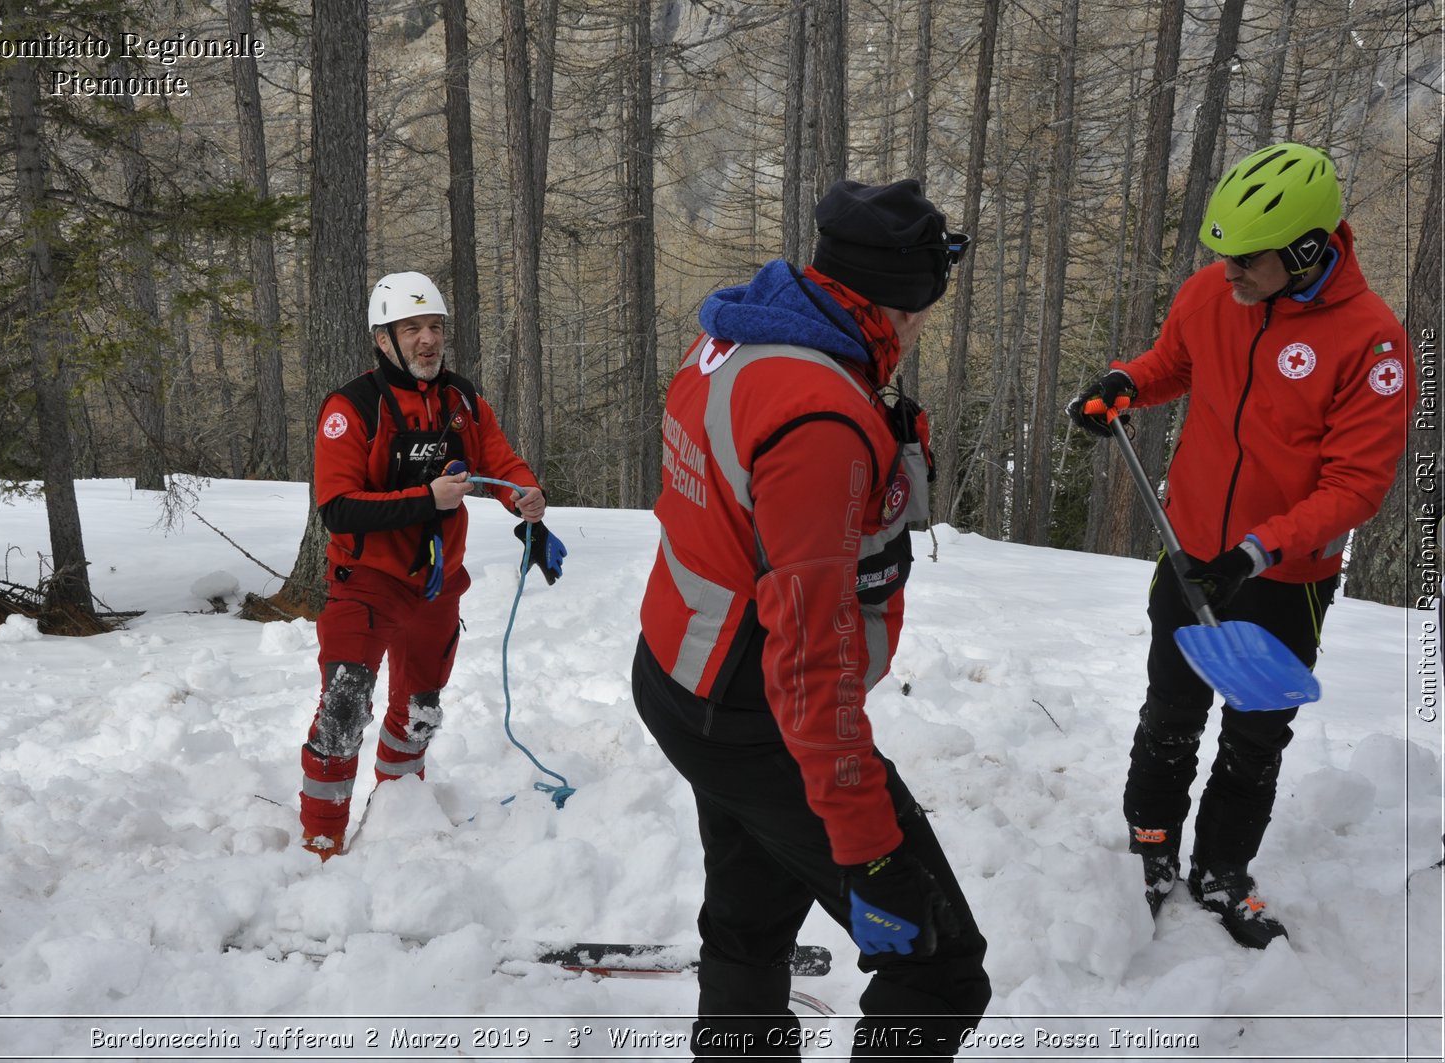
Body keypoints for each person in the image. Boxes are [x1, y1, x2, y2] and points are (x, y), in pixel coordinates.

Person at [634, 179, 991, 1059]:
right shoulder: (820, 420)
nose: (917, 335)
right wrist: (871, 851)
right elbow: (811, 660)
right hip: (758, 715)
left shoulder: (735, 339)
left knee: (749, 922)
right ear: (887, 302)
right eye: (918, 313)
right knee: (937, 967)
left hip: (684, 681)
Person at [1067, 143, 1415, 948]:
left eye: (1245, 261)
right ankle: (1150, 849)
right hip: (1187, 550)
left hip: (1285, 578)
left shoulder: (1373, 343)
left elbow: (1356, 484)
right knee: (1170, 713)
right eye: (1219, 258)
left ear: (1303, 252)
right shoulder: (1212, 292)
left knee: (1255, 735)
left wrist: (1259, 551)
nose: (1227, 274)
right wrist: (1124, 383)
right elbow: (1171, 364)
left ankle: (1222, 871)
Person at [298, 271, 567, 860]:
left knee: (420, 711)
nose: (428, 340)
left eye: (435, 327)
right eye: (412, 328)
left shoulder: (461, 400)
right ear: (382, 338)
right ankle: (320, 839)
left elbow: (499, 458)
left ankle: (400, 814)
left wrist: (525, 497)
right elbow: (337, 509)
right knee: (342, 712)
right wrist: (427, 500)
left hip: (437, 587)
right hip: (363, 586)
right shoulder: (351, 407)